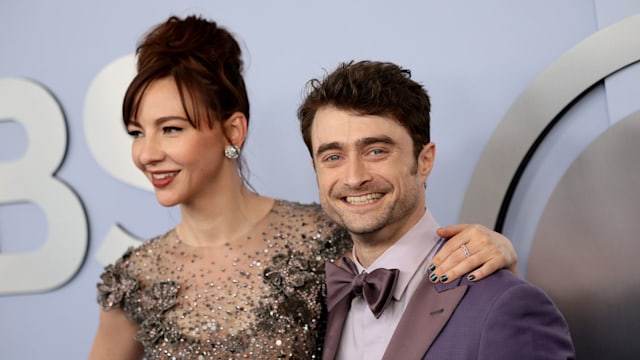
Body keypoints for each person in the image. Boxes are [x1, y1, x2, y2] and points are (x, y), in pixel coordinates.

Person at [88, 15, 520, 360]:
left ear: (233, 130)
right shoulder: (135, 278)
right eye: (135, 133)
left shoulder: (326, 236)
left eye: (170, 128)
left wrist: (498, 251)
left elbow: (422, 284)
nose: (147, 153)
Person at [297, 60, 576, 360]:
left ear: (425, 160)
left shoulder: (505, 304)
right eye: (333, 157)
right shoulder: (312, 303)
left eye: (376, 151)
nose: (354, 177)